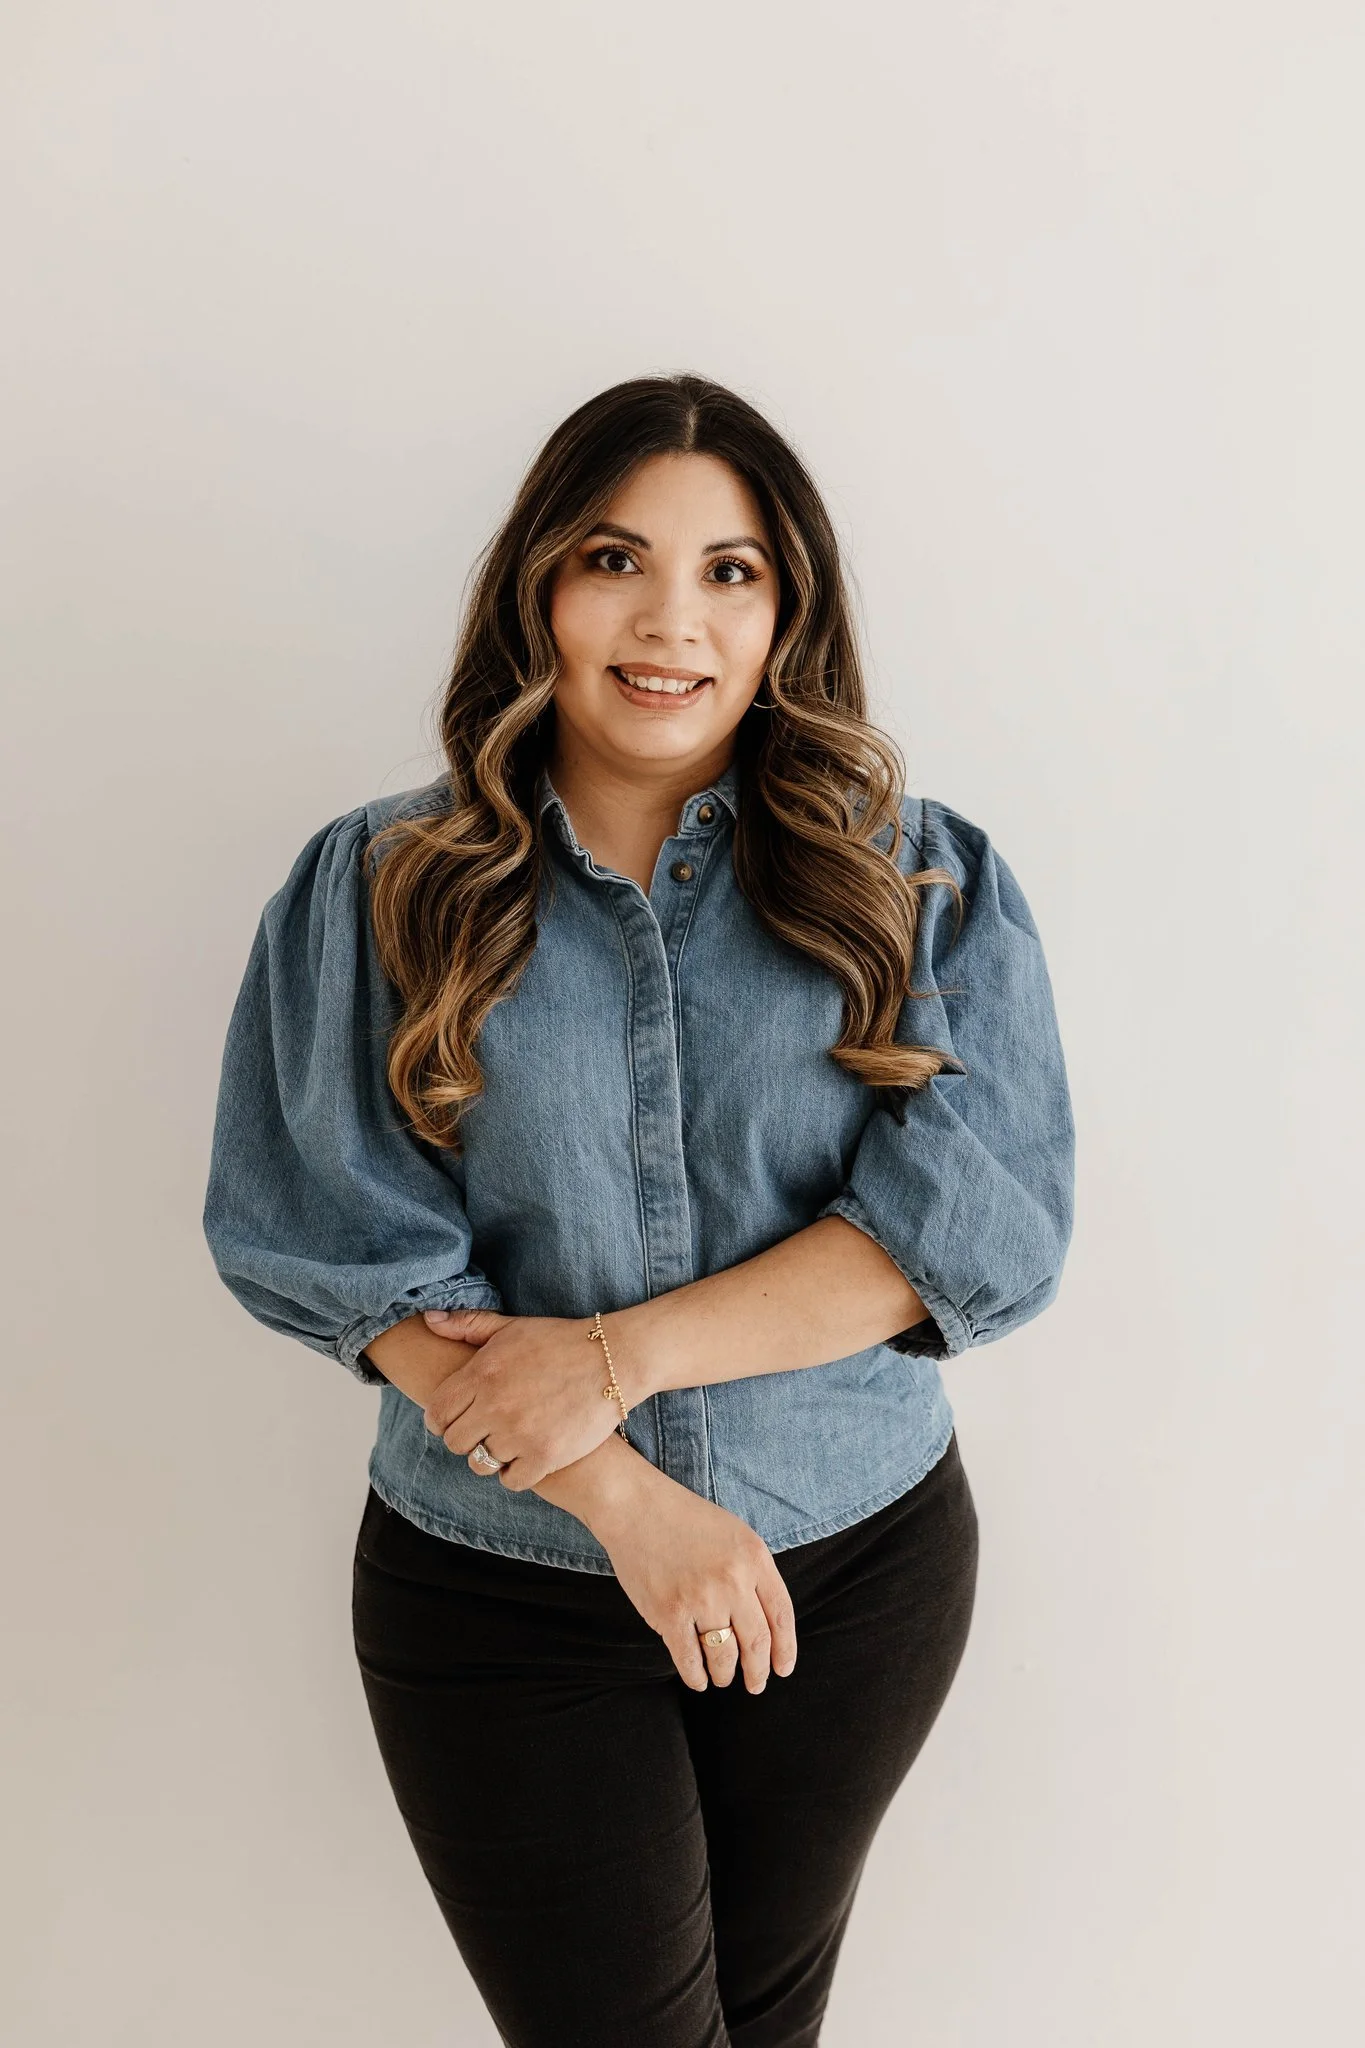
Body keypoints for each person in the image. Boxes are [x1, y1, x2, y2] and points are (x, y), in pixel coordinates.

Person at [202, 372, 1076, 2048]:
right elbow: (339, 1246)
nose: (670, 619)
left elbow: (961, 1232)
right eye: (618, 558)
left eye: (731, 571)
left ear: (785, 613)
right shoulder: (379, 884)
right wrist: (623, 1499)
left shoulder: (917, 878)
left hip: (857, 1561)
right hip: (506, 1580)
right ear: (540, 584)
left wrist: (614, 1357)